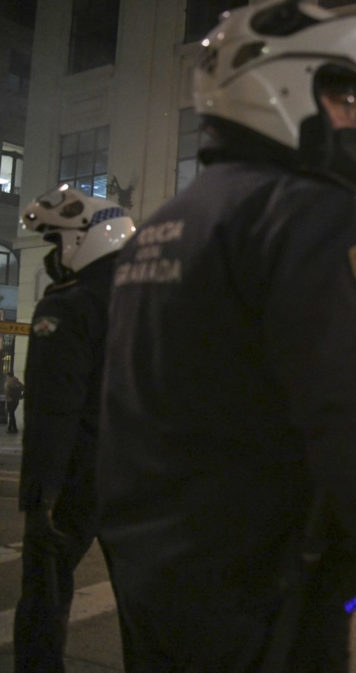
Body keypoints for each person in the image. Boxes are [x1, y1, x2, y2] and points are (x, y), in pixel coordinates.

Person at [96, 2, 356, 672]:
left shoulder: (162, 227)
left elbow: (126, 422)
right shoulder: (309, 216)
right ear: (281, 86)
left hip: (156, 589)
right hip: (261, 601)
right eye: (350, 97)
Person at [14, 186, 135, 673]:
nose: (53, 258)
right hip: (140, 475)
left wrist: (39, 493)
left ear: (85, 239)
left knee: (45, 597)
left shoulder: (68, 305)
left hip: (78, 476)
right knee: (144, 605)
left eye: (56, 243)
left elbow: (51, 409)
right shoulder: (157, 300)